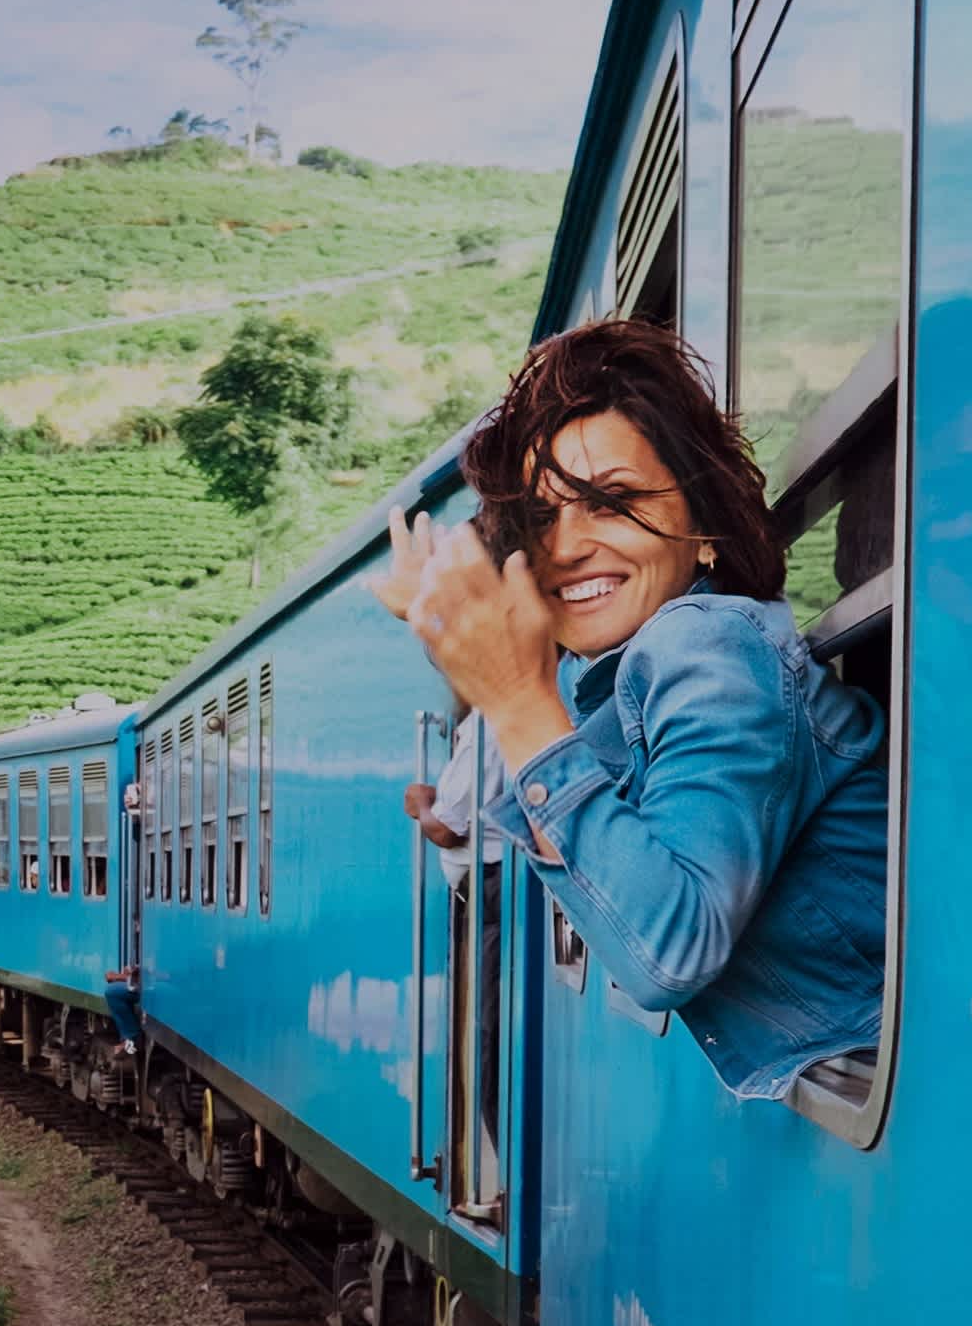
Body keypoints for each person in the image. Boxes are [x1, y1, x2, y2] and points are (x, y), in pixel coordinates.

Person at [373, 318, 888, 1100]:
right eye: (542, 518)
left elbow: (667, 952)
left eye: (611, 502)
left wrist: (512, 699)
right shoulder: (629, 674)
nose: (567, 547)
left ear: (705, 528)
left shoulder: (705, 642)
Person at [403, 711, 504, 1180]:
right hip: (495, 891)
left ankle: (508, 1177)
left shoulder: (490, 718)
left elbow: (448, 825)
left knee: (488, 1038)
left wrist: (421, 804)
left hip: (492, 894)